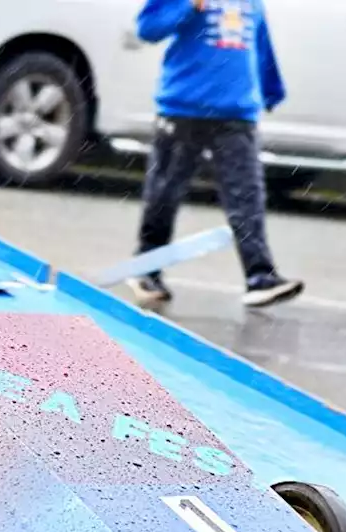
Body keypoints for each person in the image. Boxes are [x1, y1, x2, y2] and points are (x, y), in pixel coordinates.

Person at [127, 0, 304, 310]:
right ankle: (146, 268)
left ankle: (259, 275)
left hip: (237, 112)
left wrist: (271, 88)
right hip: (184, 107)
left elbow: (259, 44)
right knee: (166, 191)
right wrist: (186, 7)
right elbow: (148, 29)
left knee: (246, 195)